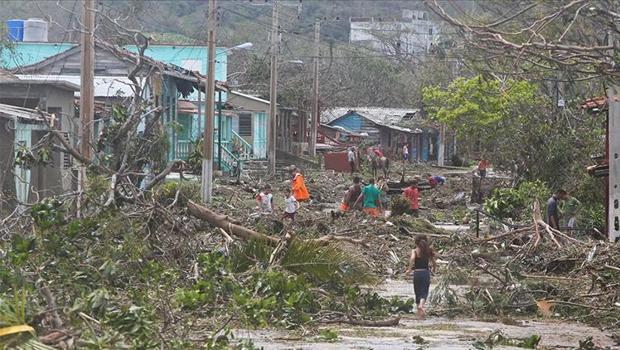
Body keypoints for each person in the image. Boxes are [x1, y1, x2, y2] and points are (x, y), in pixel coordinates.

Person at [405, 235, 437, 320]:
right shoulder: (428, 250)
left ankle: (419, 314)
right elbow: (434, 262)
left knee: (417, 292)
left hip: (417, 273)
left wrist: (409, 270)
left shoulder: (414, 251)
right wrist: (434, 269)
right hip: (425, 273)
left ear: (416, 242)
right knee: (424, 292)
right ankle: (421, 306)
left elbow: (412, 259)